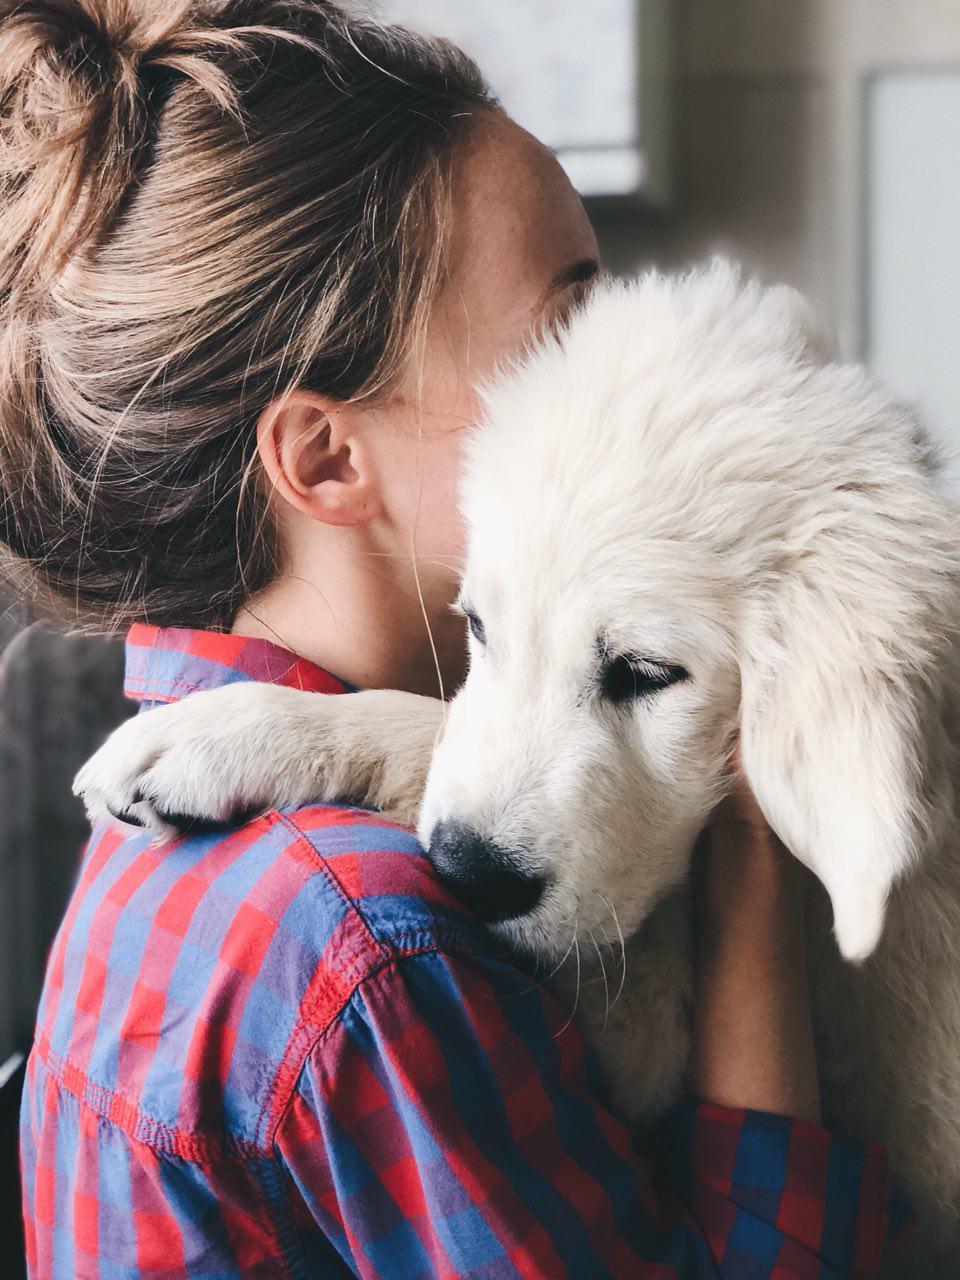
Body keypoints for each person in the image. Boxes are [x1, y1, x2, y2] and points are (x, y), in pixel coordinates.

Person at [4, 3, 909, 1276]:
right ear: (327, 456)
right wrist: (752, 885)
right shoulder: (375, 943)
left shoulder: (171, 813)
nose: (625, 370)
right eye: (564, 324)